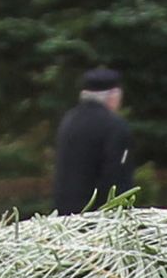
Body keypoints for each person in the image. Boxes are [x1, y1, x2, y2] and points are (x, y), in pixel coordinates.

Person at [51, 66, 131, 214]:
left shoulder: (69, 121)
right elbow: (117, 173)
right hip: (99, 216)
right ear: (113, 96)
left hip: (66, 214)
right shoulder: (115, 126)